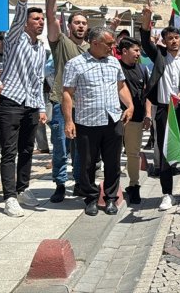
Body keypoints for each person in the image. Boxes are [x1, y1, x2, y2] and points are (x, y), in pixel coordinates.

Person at [62, 26, 133, 216]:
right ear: (95, 43)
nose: (113, 46)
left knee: (112, 162)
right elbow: (68, 93)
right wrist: (69, 121)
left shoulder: (114, 63)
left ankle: (110, 198)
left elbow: (121, 86)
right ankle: (91, 197)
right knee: (87, 163)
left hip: (112, 120)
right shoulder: (75, 64)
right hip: (87, 122)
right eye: (109, 43)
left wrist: (130, 105)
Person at [140, 4, 180, 211]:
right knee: (166, 153)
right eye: (169, 39)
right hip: (165, 111)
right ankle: (167, 194)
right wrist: (146, 19)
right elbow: (145, 40)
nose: (173, 42)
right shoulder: (158, 56)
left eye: (176, 38)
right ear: (164, 42)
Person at [0, 0, 48, 217]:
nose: (40, 22)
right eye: (36, 19)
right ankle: (8, 197)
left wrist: (40, 108)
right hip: (11, 102)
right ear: (27, 22)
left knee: (27, 149)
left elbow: (38, 80)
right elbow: (18, 19)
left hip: (30, 104)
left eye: (42, 19)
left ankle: (22, 188)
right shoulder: (14, 39)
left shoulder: (41, 49)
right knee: (9, 151)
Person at [45, 0, 89, 202]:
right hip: (61, 103)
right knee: (61, 147)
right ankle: (60, 184)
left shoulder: (93, 49)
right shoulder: (61, 42)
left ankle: (80, 182)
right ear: (69, 26)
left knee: (80, 149)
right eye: (76, 23)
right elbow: (50, 16)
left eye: (83, 23)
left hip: (84, 107)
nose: (80, 26)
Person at [117, 37, 152, 204]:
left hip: (136, 119)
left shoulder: (142, 69)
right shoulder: (114, 67)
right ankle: (112, 187)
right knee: (112, 155)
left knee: (133, 154)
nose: (139, 54)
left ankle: (134, 186)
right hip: (115, 118)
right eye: (136, 50)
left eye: (139, 50)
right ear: (124, 51)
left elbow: (147, 94)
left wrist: (147, 115)